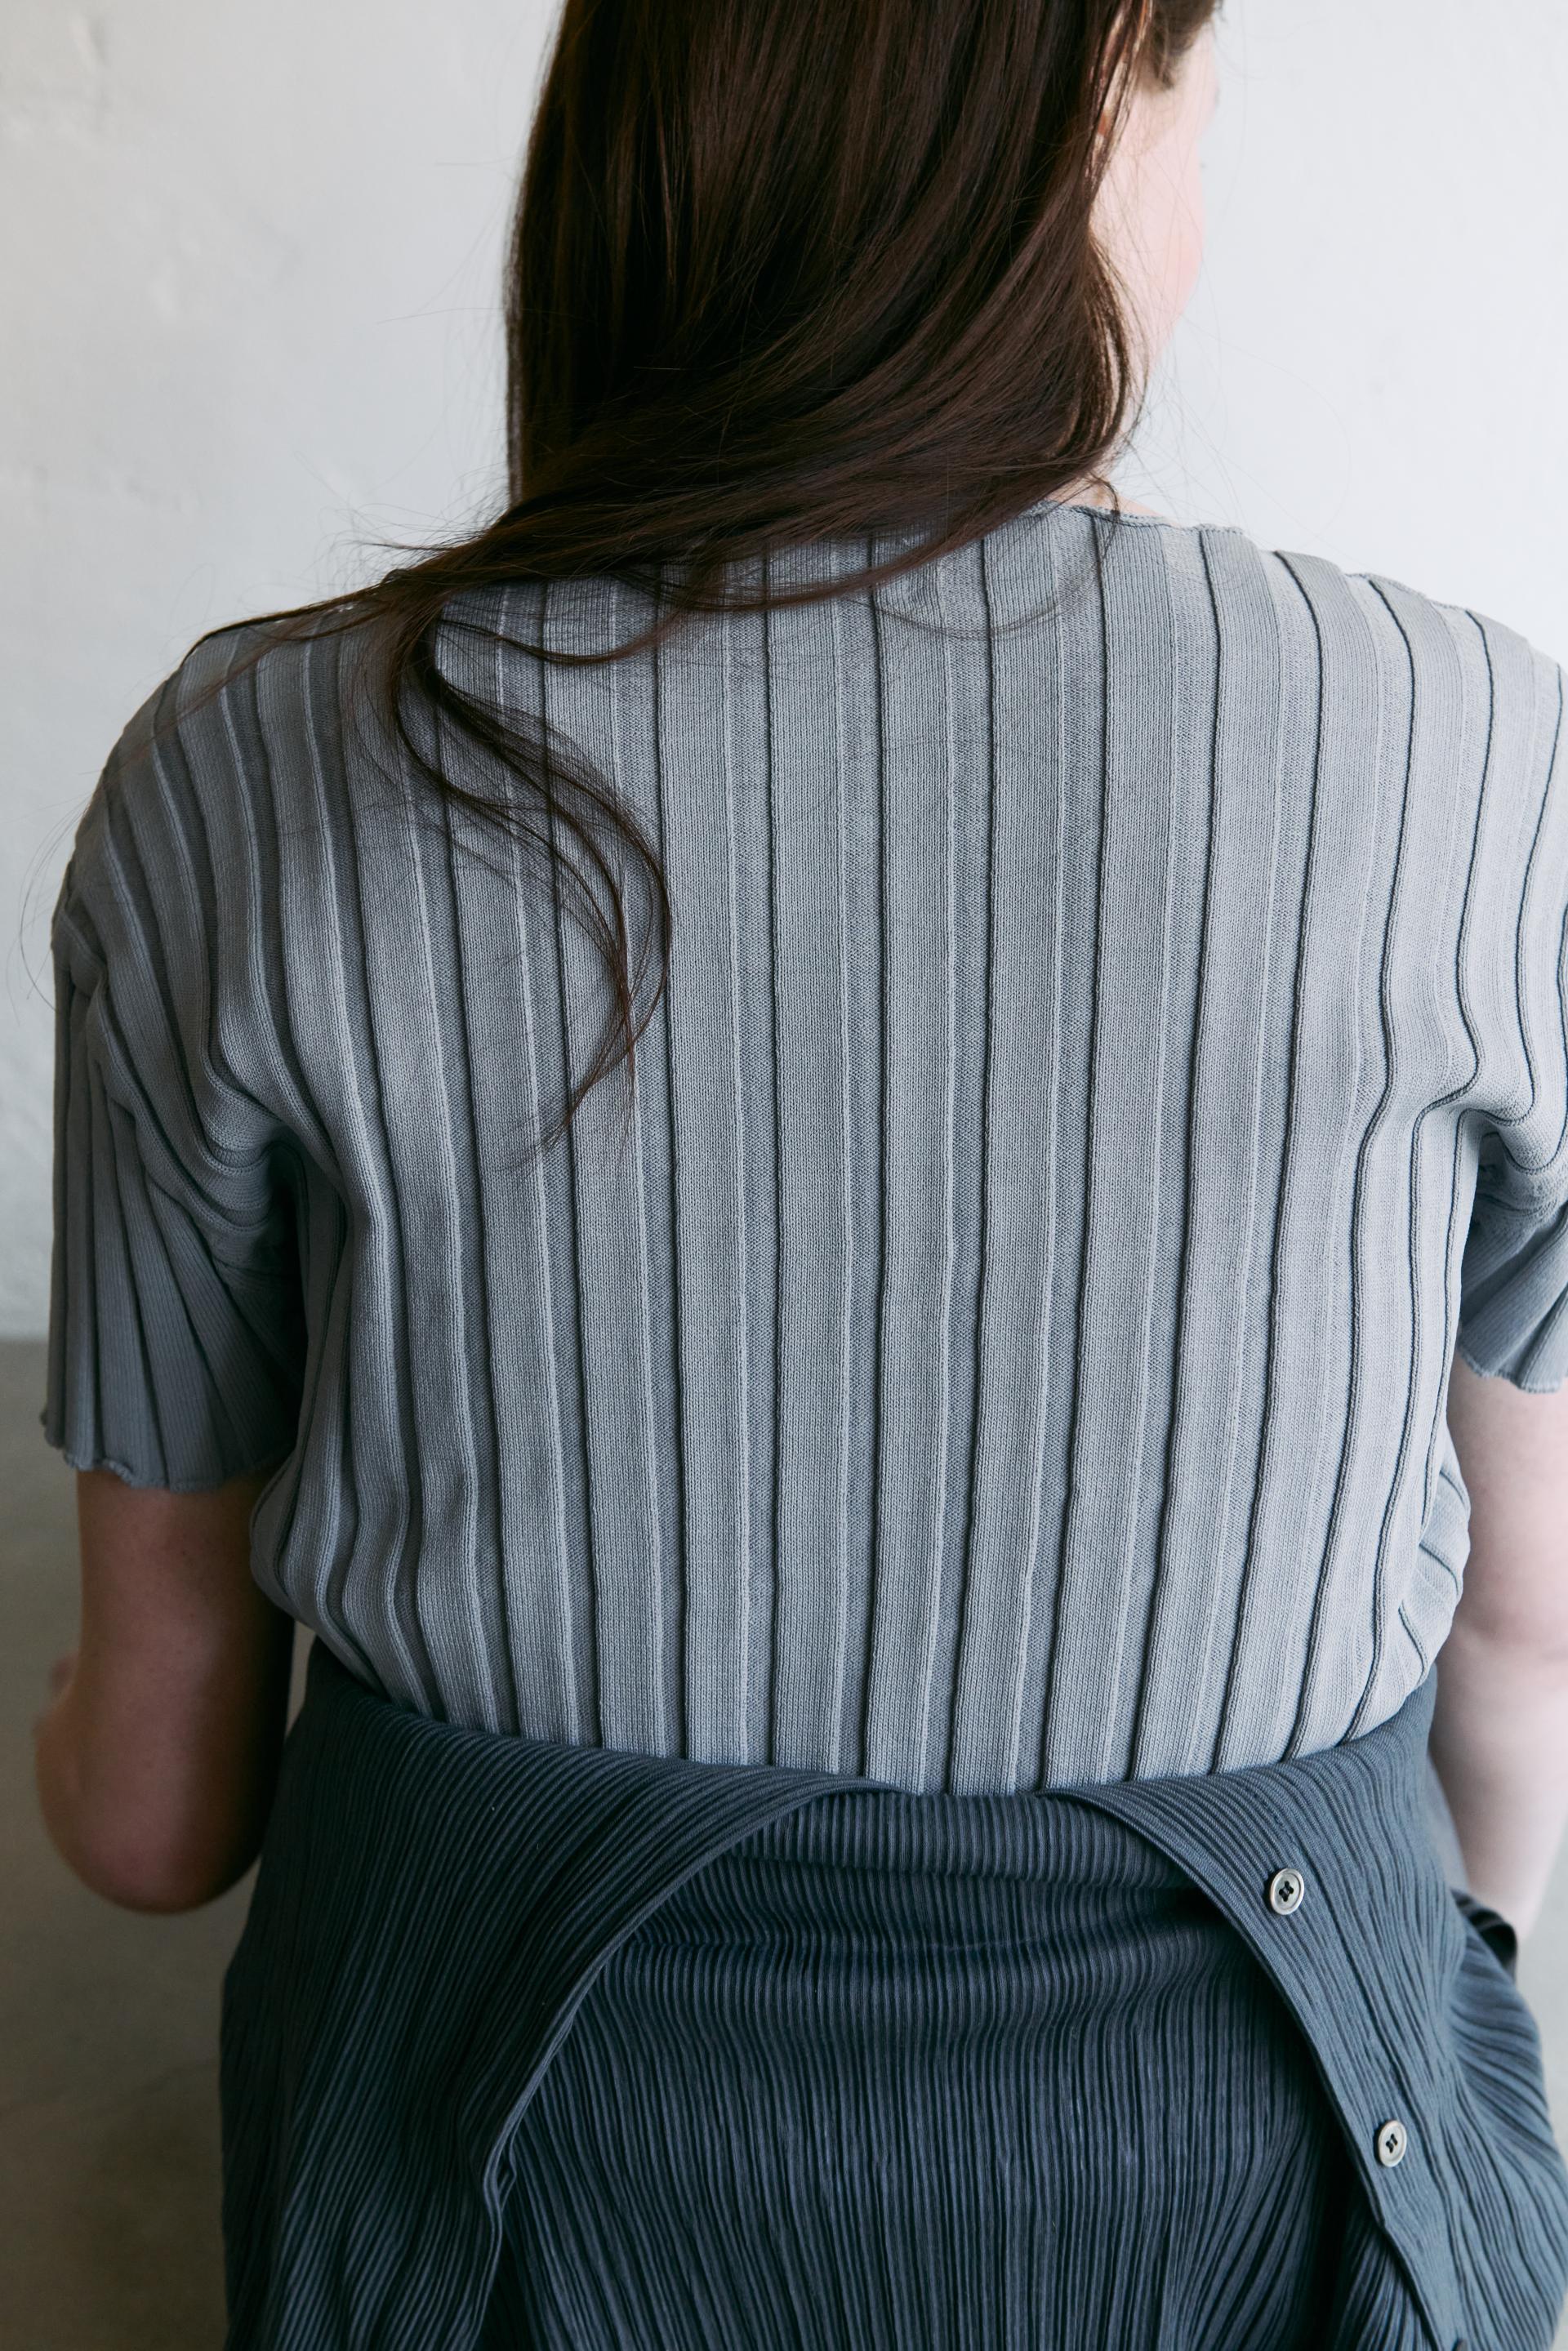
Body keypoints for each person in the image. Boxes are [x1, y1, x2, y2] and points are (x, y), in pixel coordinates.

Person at [28, 1, 1568, 2344]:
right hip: (1267, 2193)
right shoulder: (1477, 765)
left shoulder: (250, 772)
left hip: (484, 2203)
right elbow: (1517, 1659)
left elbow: (153, 1820)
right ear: (1092, 113)